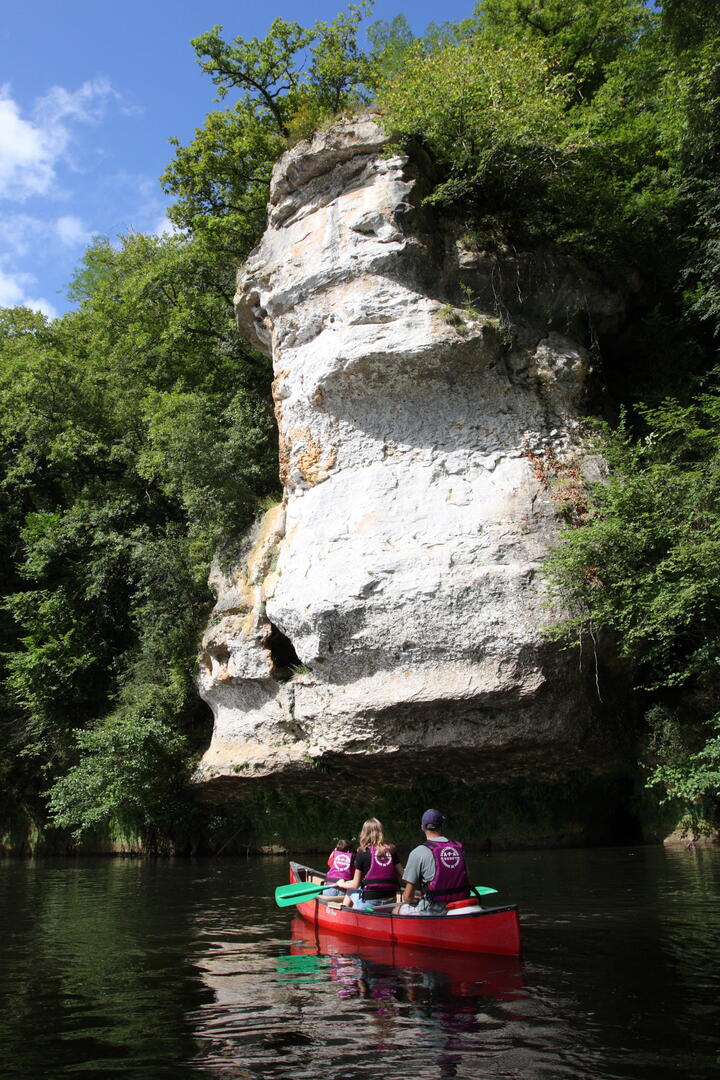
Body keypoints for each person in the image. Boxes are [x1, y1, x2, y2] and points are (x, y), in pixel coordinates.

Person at [397, 808, 471, 915]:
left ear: (422, 828)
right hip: (460, 904)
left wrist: (414, 898)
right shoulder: (459, 847)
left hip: (434, 908)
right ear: (442, 826)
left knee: (397, 910)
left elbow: (407, 897)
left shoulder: (417, 852)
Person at [334, 817, 404, 909]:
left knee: (350, 887)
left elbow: (355, 885)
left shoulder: (362, 853)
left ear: (364, 834)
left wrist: (341, 883)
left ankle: (345, 915)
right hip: (391, 902)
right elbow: (404, 875)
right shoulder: (391, 851)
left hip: (370, 904)